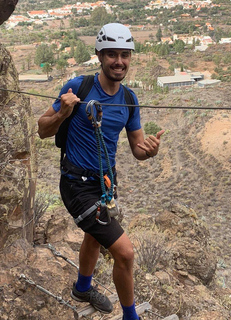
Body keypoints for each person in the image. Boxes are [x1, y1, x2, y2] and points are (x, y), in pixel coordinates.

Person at [37, 23, 165, 320]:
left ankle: (82, 288)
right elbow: (43, 130)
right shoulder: (78, 86)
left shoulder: (129, 99)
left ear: (130, 58)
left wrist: (149, 151)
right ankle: (130, 317)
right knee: (125, 253)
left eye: (124, 55)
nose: (119, 61)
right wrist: (62, 112)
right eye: (112, 54)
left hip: (106, 182)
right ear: (99, 55)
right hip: (76, 183)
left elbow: (137, 149)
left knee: (94, 237)